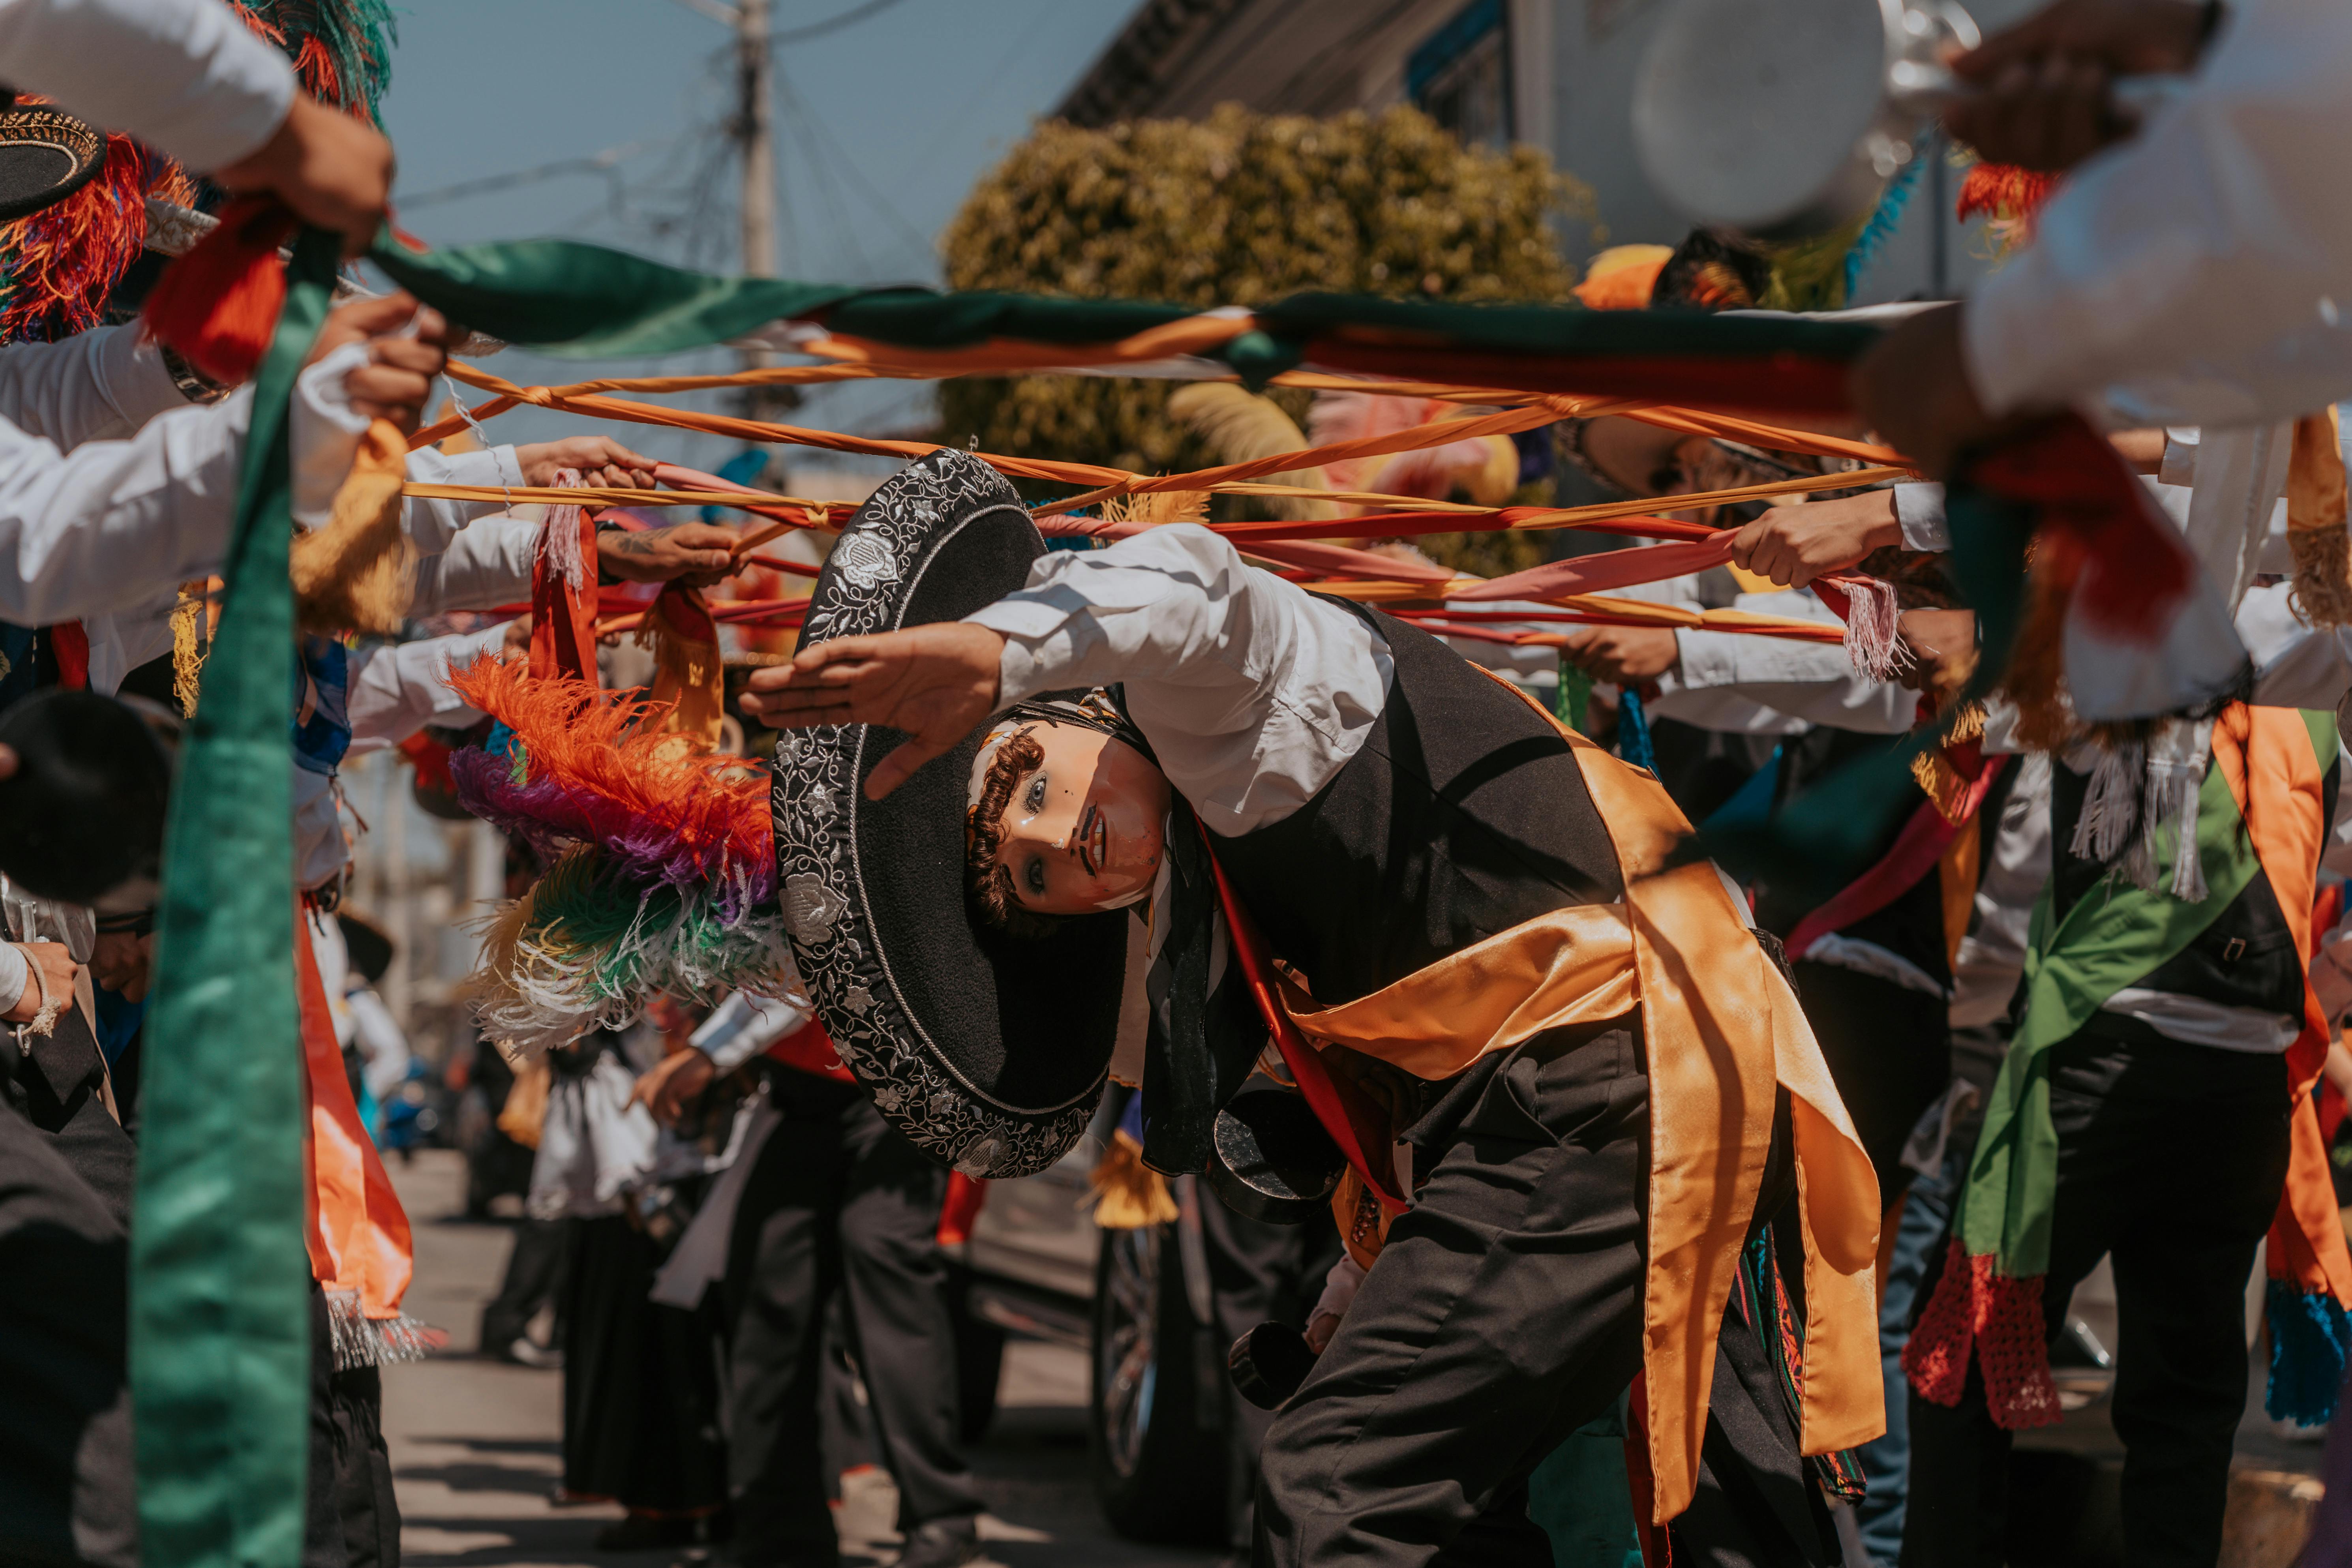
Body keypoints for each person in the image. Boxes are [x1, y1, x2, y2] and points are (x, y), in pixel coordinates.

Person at [743, 450, 1883, 1567]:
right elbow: (1415, 1097)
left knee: (1339, 1486)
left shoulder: (1236, 726)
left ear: (1084, 706)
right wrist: (1360, 1286)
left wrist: (999, 650)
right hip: (1615, 1090)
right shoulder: (1225, 912)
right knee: (1646, 1505)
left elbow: (1195, 583)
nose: (1054, 838)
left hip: (1618, 1067)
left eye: (1031, 777)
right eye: (1031, 877)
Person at [637, 987, 989, 1568]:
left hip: (909, 1077)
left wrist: (709, 1052)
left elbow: (808, 950)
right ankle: (781, 1528)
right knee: (770, 1285)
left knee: (883, 1265)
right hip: (805, 1090)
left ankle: (942, 1516)